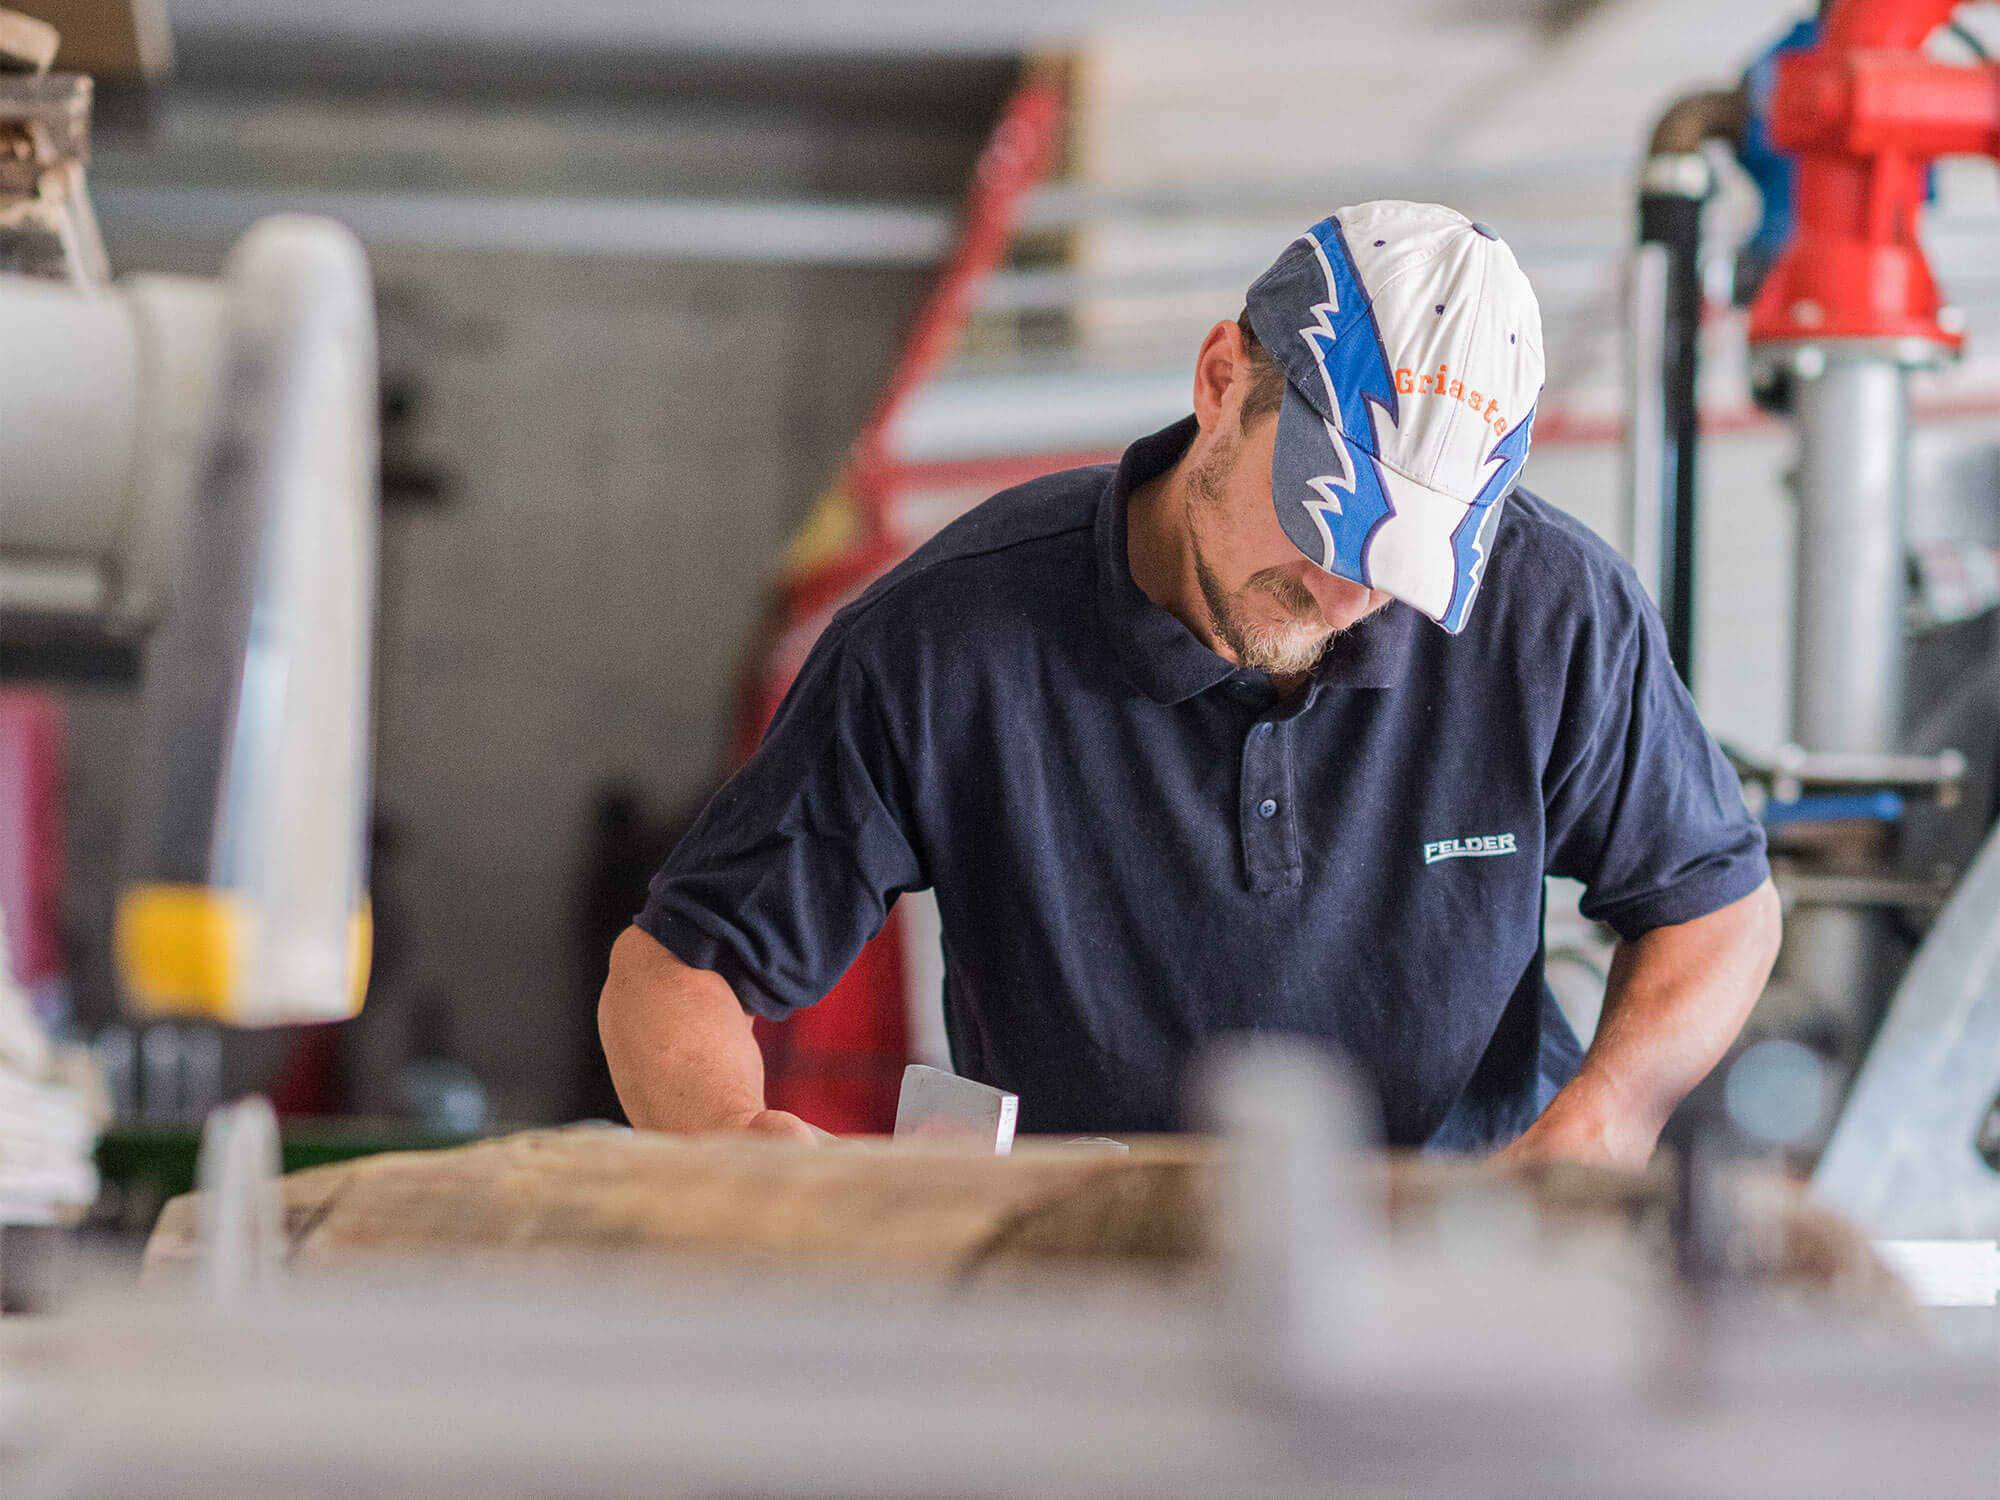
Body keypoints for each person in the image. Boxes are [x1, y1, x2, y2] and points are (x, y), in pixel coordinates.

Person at [599, 201, 1780, 1167]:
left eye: (1398, 561)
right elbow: (677, 972)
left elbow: (1715, 905)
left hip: (1459, 1273)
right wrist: (735, 1153)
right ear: (1222, 378)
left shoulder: (1550, 610)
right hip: (1081, 1286)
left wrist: (1607, 1116)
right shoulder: (948, 637)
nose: (1341, 595)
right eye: (1325, 523)